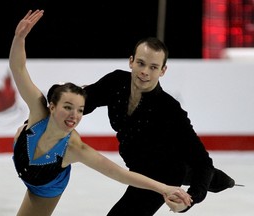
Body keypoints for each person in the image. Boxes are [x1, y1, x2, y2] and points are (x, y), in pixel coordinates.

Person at [9, 10, 192, 216]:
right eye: (68, 107)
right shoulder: (38, 113)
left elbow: (120, 174)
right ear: (52, 106)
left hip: (43, 188)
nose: (74, 116)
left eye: (80, 110)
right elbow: (18, 68)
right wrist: (19, 38)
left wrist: (165, 188)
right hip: (26, 159)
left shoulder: (74, 148)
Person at [82, 36, 236, 214]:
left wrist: (190, 199)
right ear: (131, 61)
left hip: (164, 173)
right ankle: (220, 180)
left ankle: (220, 181)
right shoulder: (116, 82)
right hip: (137, 167)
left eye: (153, 67)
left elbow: (202, 163)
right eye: (140, 63)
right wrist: (57, 94)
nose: (145, 71)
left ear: (163, 70)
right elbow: (82, 101)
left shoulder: (169, 110)